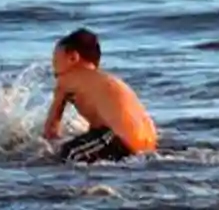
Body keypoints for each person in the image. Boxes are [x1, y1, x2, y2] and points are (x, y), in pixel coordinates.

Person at [42, 28, 157, 164]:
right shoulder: (107, 81)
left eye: (55, 61)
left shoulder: (67, 79)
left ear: (73, 57)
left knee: (67, 155)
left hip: (119, 138)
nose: (54, 69)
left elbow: (51, 129)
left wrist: (44, 149)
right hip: (148, 145)